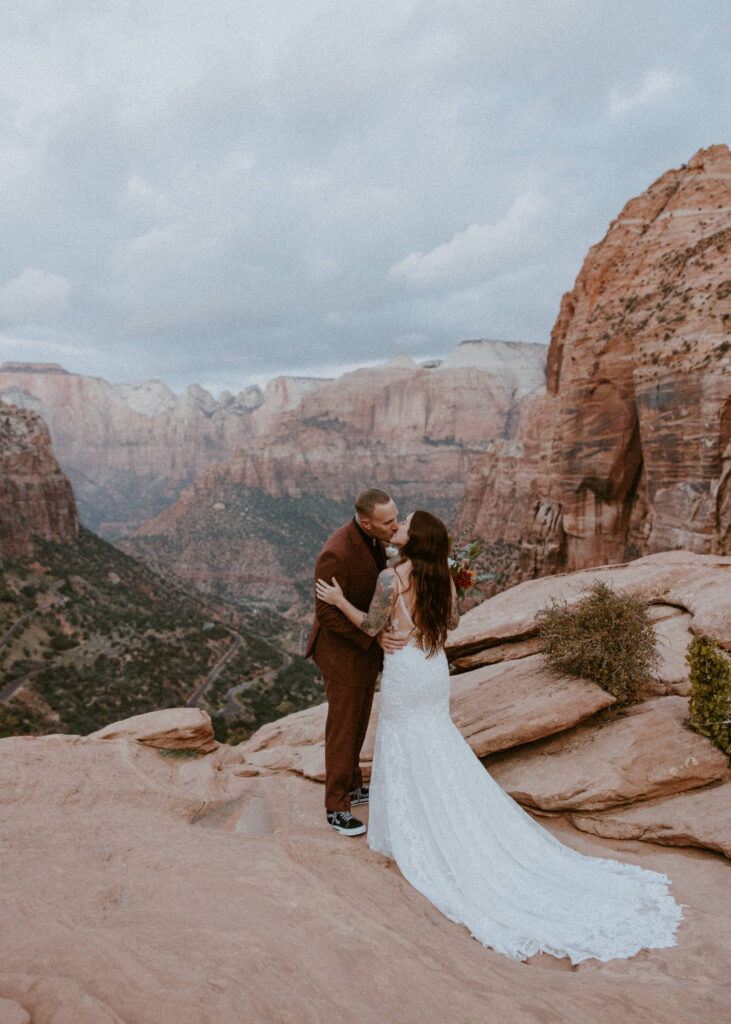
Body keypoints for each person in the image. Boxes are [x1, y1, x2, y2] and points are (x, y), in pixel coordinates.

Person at [315, 510, 684, 964]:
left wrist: (338, 601)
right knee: (434, 738)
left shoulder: (392, 579)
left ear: (415, 540)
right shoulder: (444, 579)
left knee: (408, 741)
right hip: (432, 669)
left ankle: (419, 825)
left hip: (406, 673)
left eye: (405, 525)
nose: (399, 528)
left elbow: (372, 627)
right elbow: (449, 625)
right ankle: (442, 808)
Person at [305, 488, 406, 836]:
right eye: (388, 522)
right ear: (366, 523)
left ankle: (353, 784)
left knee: (360, 720)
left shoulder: (373, 537)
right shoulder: (336, 553)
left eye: (396, 518)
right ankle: (336, 807)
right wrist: (371, 636)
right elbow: (326, 614)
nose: (395, 526)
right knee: (343, 730)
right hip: (342, 656)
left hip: (363, 654)